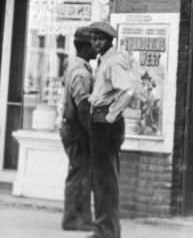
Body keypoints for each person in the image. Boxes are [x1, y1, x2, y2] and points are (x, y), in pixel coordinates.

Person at [86, 20, 137, 238]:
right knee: (101, 179)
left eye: (101, 39)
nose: (96, 42)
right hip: (100, 122)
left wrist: (110, 115)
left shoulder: (114, 61)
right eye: (94, 38)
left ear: (109, 40)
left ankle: (106, 232)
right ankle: (104, 229)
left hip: (106, 125)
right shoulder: (105, 60)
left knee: (105, 180)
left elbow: (127, 91)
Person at [60, 26, 96, 231]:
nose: (96, 48)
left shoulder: (73, 66)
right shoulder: (81, 73)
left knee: (79, 172)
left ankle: (78, 217)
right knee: (80, 174)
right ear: (84, 46)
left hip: (71, 127)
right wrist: (91, 132)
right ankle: (74, 219)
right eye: (92, 44)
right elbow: (83, 107)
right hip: (77, 129)